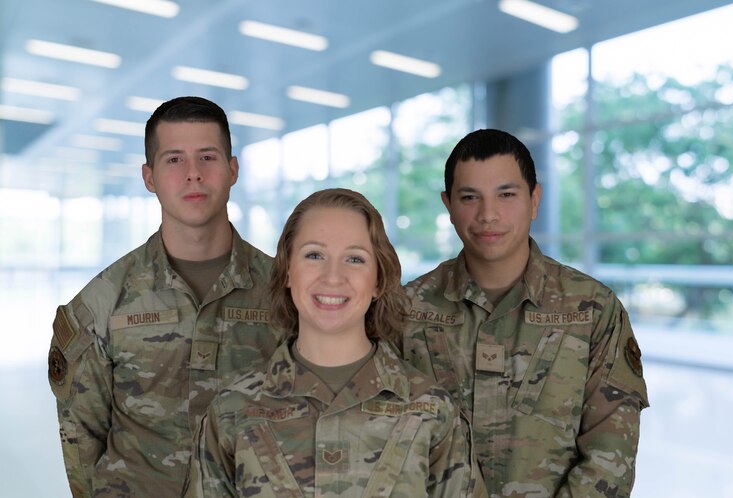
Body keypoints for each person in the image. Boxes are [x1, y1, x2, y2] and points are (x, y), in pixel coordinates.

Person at [47, 96, 285, 497]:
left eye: (207, 157)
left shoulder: (286, 291)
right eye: (174, 159)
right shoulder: (102, 304)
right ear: (149, 176)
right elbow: (81, 439)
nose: (193, 174)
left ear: (232, 170)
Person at [401, 129, 650, 497]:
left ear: (534, 200)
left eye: (506, 195)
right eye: (470, 197)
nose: (488, 215)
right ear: (449, 205)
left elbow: (610, 454)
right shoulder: (408, 310)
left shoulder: (592, 310)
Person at [184, 188, 477, 497]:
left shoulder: (433, 410)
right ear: (286, 270)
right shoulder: (233, 411)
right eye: (314, 255)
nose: (333, 277)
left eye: (354, 258)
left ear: (378, 280)